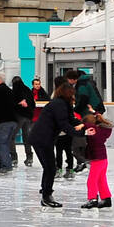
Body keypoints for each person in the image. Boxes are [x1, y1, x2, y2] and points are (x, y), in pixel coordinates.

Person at [29, 79, 75, 208]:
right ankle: (46, 196)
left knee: (49, 167)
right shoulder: (59, 104)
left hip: (45, 138)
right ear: (66, 93)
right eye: (71, 93)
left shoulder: (64, 104)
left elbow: (70, 119)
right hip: (41, 139)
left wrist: (82, 126)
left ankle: (46, 191)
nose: (73, 96)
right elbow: (64, 124)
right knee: (50, 168)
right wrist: (81, 133)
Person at [80, 112, 114, 208]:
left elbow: (89, 126)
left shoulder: (94, 130)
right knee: (101, 180)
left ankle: (92, 199)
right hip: (103, 159)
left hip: (98, 159)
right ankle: (106, 199)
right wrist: (94, 112)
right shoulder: (100, 131)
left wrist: (83, 125)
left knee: (92, 180)